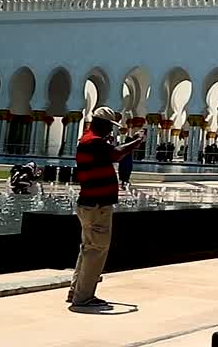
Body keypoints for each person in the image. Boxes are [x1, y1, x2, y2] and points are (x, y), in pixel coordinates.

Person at [69, 106, 143, 309]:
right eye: (110, 126)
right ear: (102, 124)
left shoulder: (87, 140)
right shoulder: (93, 142)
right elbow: (116, 154)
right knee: (97, 250)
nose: (111, 131)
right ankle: (83, 297)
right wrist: (136, 141)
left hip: (89, 204)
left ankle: (77, 290)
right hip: (97, 206)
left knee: (88, 248)